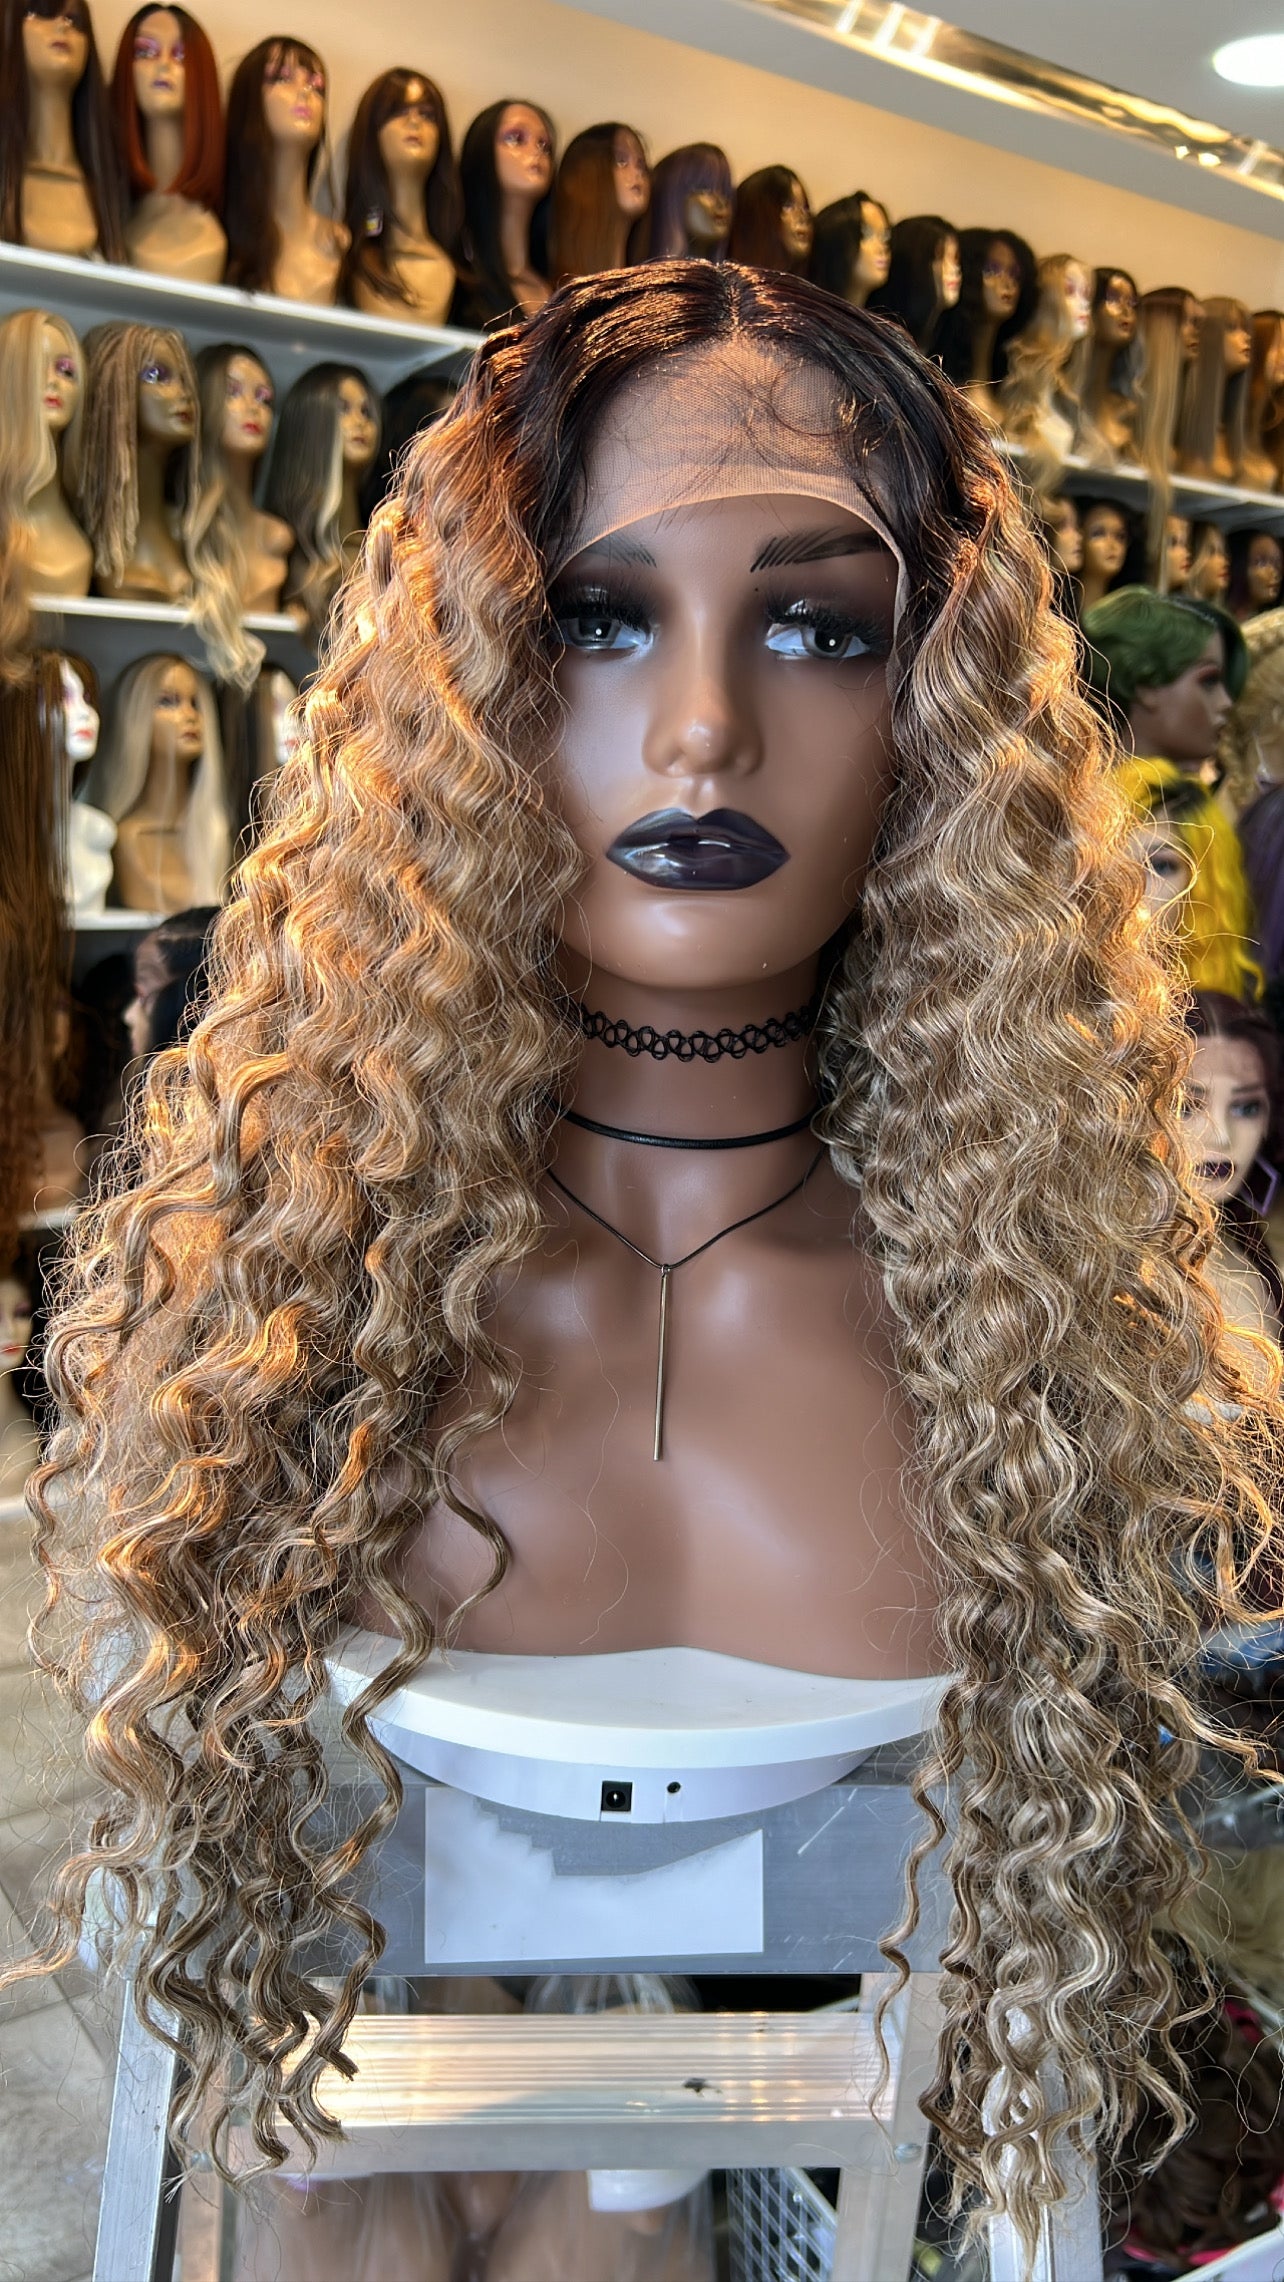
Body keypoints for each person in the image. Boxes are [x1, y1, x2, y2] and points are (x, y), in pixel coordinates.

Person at [20, 263, 1284, 2262]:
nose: (703, 732)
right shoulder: (299, 1319)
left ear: (939, 714)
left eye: (817, 627)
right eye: (597, 618)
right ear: (464, 695)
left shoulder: (1043, 1343)